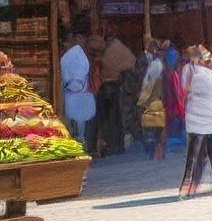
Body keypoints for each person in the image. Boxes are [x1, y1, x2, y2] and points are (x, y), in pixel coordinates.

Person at [178, 46, 212, 198]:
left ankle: (188, 185)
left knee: (193, 152)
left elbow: (183, 90)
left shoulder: (189, 70)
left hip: (196, 117)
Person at [96, 28, 136, 157]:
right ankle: (117, 146)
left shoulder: (111, 50)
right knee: (117, 119)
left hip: (109, 88)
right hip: (117, 88)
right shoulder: (120, 50)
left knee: (109, 120)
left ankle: (113, 146)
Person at [60, 37, 96, 149]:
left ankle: (78, 146)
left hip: (72, 95)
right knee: (80, 124)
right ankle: (81, 146)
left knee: (74, 123)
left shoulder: (70, 59)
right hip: (80, 95)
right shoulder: (80, 58)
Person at [137, 39, 168, 160]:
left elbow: (149, 83)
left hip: (153, 97)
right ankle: (157, 149)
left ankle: (155, 150)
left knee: (153, 124)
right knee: (156, 124)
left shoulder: (155, 65)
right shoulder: (159, 64)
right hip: (157, 97)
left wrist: (143, 98)